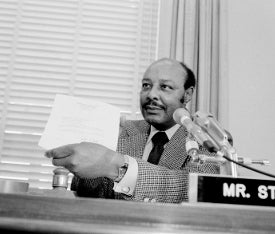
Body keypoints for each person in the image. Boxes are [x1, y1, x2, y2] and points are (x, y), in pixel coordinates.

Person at [45, 58, 220, 203]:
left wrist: (115, 163)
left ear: (187, 94)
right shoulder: (123, 132)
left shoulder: (207, 139)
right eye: (146, 85)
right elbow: (88, 194)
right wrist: (92, 148)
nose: (151, 94)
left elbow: (196, 190)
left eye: (165, 87)